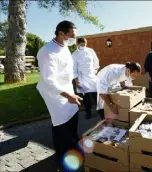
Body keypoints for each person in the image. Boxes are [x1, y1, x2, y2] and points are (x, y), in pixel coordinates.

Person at [36, 21, 83, 170]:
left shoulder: (65, 47)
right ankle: (62, 156)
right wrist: (66, 95)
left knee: (73, 115)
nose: (74, 39)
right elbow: (48, 80)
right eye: (72, 35)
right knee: (61, 122)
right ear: (61, 34)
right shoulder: (47, 51)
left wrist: (72, 91)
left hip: (68, 89)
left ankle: (73, 144)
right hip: (54, 93)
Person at [72, 37, 99, 119]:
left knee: (96, 94)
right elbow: (74, 69)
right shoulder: (74, 55)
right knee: (86, 97)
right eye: (81, 45)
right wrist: (77, 81)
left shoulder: (90, 51)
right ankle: (88, 113)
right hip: (82, 78)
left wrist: (95, 71)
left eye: (85, 44)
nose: (83, 46)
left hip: (92, 76)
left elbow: (96, 62)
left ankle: (100, 111)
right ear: (77, 44)